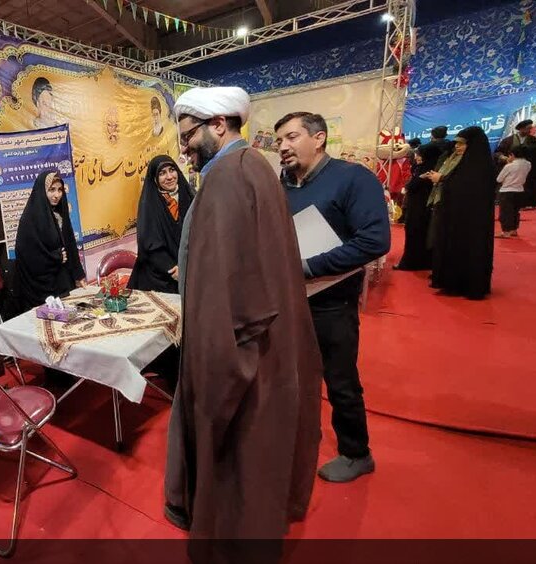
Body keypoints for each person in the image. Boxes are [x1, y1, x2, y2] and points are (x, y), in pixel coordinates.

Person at [164, 87, 323, 557]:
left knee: (238, 463)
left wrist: (213, 379)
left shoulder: (227, 177)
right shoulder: (252, 166)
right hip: (269, 346)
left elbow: (226, 295)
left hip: (242, 356)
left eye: (188, 135)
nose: (184, 147)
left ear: (219, 125)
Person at [274, 112, 390, 483]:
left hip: (333, 303)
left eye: (291, 137)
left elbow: (374, 240)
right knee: (289, 376)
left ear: (319, 137)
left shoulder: (353, 179)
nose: (283, 146)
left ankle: (356, 453)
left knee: (340, 381)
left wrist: (310, 266)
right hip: (289, 299)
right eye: (279, 141)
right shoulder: (283, 184)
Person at [425, 126, 496, 299]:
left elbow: (464, 188)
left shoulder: (479, 166)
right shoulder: (464, 163)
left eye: (462, 143)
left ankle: (466, 285)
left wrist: (442, 179)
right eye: (456, 143)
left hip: (471, 221)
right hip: (458, 217)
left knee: (470, 249)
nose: (457, 146)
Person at [12, 171, 85, 313]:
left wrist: (78, 274)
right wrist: (56, 256)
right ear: (42, 191)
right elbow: (27, 256)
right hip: (39, 287)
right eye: (51, 190)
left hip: (61, 279)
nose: (57, 195)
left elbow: (70, 244)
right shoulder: (30, 219)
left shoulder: (59, 214)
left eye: (59, 190)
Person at [127, 156, 193, 293]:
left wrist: (187, 267)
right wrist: (174, 269)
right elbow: (150, 245)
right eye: (162, 173)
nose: (169, 177)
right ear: (155, 178)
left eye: (172, 170)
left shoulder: (190, 197)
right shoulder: (149, 204)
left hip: (190, 271)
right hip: (158, 278)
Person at [395, 143, 443, 271]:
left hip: (420, 209)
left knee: (416, 234)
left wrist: (416, 181)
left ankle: (412, 262)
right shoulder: (425, 167)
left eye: (419, 155)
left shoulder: (427, 170)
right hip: (421, 208)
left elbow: (412, 186)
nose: (416, 157)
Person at [496, 120, 536, 208]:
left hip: (528, 169)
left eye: (530, 128)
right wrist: (505, 158)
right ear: (521, 129)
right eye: (528, 128)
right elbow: (498, 152)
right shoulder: (508, 140)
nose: (529, 130)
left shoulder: (533, 140)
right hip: (513, 168)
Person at [496, 145, 531, 238]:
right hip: (520, 190)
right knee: (515, 211)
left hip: (507, 191)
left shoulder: (509, 166)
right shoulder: (528, 164)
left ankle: (506, 231)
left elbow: (499, 179)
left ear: (512, 154)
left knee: (506, 212)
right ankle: (514, 230)